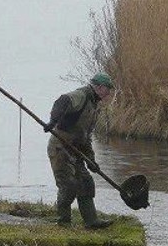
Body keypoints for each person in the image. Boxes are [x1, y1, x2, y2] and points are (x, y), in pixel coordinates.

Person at [43, 72, 115, 229]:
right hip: (60, 147)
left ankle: (91, 221)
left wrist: (91, 160)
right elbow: (62, 101)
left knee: (86, 183)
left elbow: (86, 137)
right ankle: (63, 223)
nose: (109, 93)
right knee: (68, 185)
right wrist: (52, 122)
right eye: (108, 89)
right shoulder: (81, 95)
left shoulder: (94, 105)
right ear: (100, 87)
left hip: (76, 150)